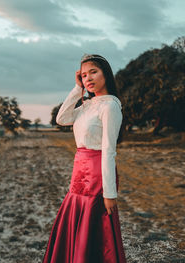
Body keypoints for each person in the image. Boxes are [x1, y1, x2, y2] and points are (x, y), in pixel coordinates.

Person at [42, 54, 127, 263]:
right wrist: (77, 88)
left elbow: (109, 150)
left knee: (94, 230)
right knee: (76, 225)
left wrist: (110, 193)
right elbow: (61, 119)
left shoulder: (110, 106)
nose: (88, 78)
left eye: (93, 72)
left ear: (106, 74)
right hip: (79, 174)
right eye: (84, 75)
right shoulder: (87, 104)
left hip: (97, 175)